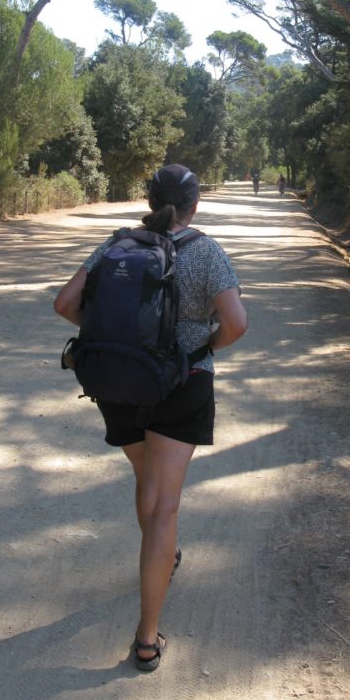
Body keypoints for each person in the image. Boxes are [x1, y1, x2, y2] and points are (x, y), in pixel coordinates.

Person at [53, 164, 247, 672]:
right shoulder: (206, 252)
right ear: (195, 205)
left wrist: (105, 335)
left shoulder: (118, 244)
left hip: (119, 382)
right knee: (165, 506)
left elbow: (65, 303)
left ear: (150, 198)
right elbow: (237, 324)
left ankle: (160, 558)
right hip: (182, 384)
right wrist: (202, 348)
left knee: (146, 484)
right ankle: (145, 638)